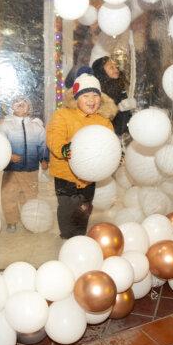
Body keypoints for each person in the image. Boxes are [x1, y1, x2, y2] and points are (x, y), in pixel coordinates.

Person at [46, 73, 114, 238]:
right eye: (86, 95)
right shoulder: (62, 115)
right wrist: (63, 149)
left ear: (101, 98)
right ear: (76, 98)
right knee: (67, 208)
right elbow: (54, 136)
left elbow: (109, 143)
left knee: (84, 208)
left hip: (89, 176)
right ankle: (67, 236)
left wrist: (114, 155)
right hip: (65, 175)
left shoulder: (103, 121)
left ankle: (80, 236)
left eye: (95, 95)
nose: (91, 100)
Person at [0, 96, 49, 232]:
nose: (20, 105)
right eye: (17, 103)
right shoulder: (5, 126)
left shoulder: (36, 127)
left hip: (30, 169)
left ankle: (30, 220)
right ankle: (11, 221)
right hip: (11, 170)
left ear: (29, 108)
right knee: (9, 195)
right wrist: (8, 155)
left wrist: (44, 159)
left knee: (30, 195)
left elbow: (43, 145)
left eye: (24, 103)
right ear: (12, 107)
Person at [92, 56, 136, 136]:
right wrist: (118, 108)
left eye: (116, 67)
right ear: (101, 71)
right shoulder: (97, 91)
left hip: (126, 132)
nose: (116, 70)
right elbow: (100, 115)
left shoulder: (121, 84)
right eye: (111, 67)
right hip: (108, 135)